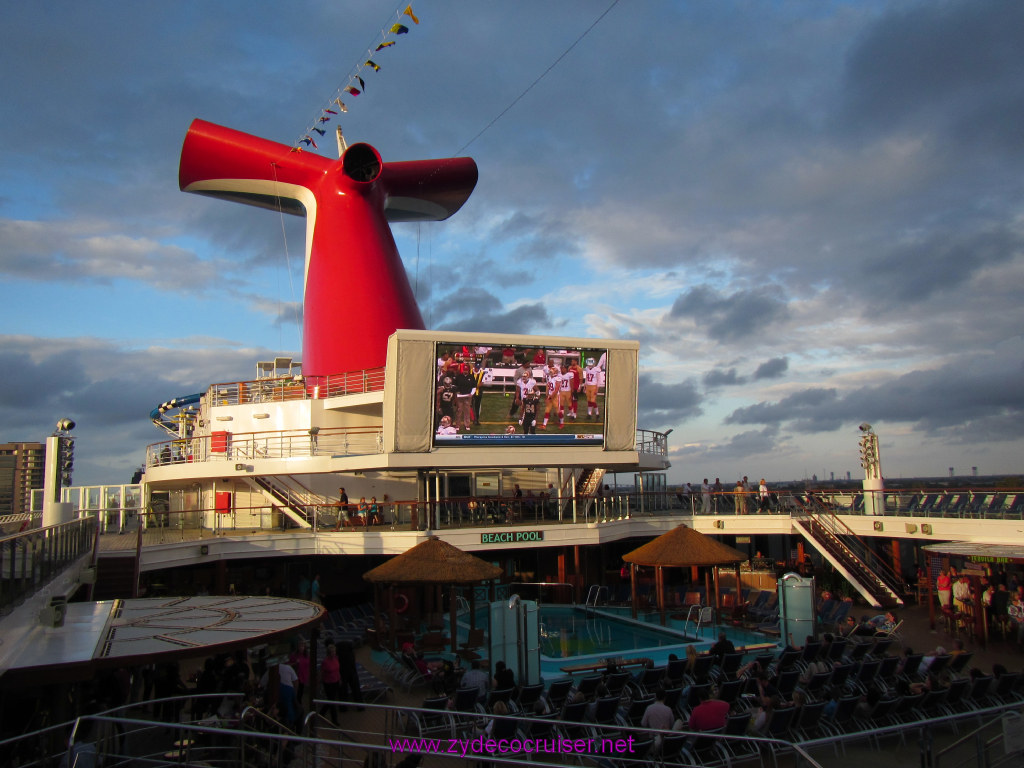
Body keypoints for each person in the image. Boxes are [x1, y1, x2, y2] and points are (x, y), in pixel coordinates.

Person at [320, 643, 343, 723]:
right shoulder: (325, 662)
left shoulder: (336, 658)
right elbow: (322, 672)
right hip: (328, 683)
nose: (334, 653)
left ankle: (322, 712)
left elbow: (337, 670)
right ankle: (334, 719)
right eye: (332, 652)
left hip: (335, 681)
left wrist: (339, 679)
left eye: (334, 651)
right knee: (332, 700)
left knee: (331, 699)